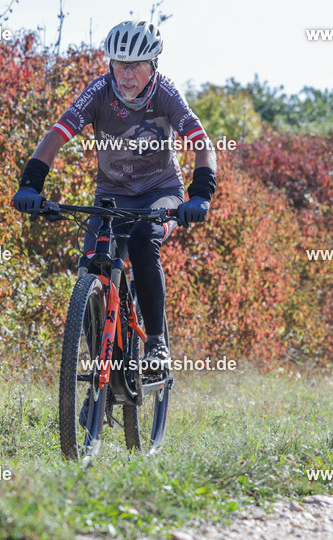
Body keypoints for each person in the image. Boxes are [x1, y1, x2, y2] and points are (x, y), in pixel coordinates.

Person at [12, 20, 217, 371]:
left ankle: (156, 344)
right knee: (92, 266)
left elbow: (203, 145)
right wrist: (31, 185)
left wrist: (200, 196)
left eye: (136, 65)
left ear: (153, 65)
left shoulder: (165, 93)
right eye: (120, 64)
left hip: (161, 194)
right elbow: (56, 135)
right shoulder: (99, 92)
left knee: (141, 242)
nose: (126, 75)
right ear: (110, 64)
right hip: (112, 197)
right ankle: (100, 370)